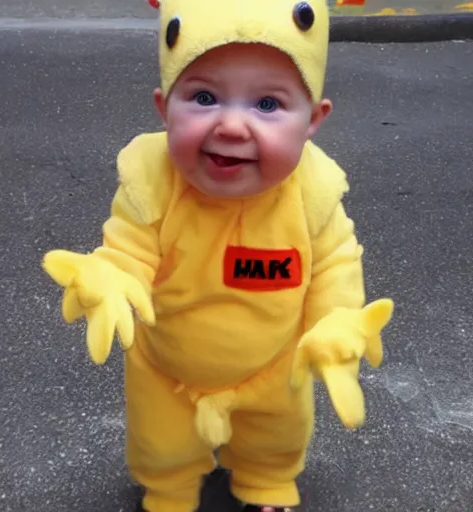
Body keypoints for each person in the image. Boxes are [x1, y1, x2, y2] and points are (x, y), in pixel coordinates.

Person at [42, 0, 394, 510]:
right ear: (164, 109)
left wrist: (336, 323)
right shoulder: (153, 181)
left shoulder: (312, 193)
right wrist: (112, 277)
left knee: (276, 435)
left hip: (273, 364)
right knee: (161, 441)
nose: (231, 126)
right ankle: (169, 487)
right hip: (168, 366)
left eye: (268, 105)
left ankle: (265, 480)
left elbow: (336, 263)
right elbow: (130, 249)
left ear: (313, 119)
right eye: (204, 96)